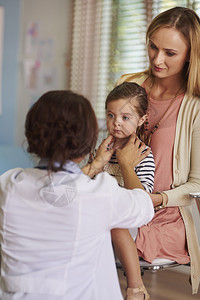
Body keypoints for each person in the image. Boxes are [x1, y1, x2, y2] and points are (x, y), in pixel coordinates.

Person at [0, 90, 154, 300]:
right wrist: (125, 164)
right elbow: (145, 206)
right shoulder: (100, 194)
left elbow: (58, 188)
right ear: (89, 141)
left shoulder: (8, 185)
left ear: (30, 135)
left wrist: (94, 166)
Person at [116, 6, 200, 295]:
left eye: (170, 53)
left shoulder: (195, 106)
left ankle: (135, 289)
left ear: (190, 54)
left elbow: (197, 185)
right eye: (153, 46)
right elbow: (112, 151)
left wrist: (155, 199)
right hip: (123, 201)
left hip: (164, 219)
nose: (157, 59)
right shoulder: (129, 86)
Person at [103, 82, 155, 300]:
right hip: (102, 212)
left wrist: (126, 164)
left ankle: (135, 287)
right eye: (111, 115)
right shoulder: (101, 149)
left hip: (128, 218)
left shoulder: (144, 155)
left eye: (125, 117)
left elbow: (141, 201)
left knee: (115, 224)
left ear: (142, 120)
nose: (116, 124)